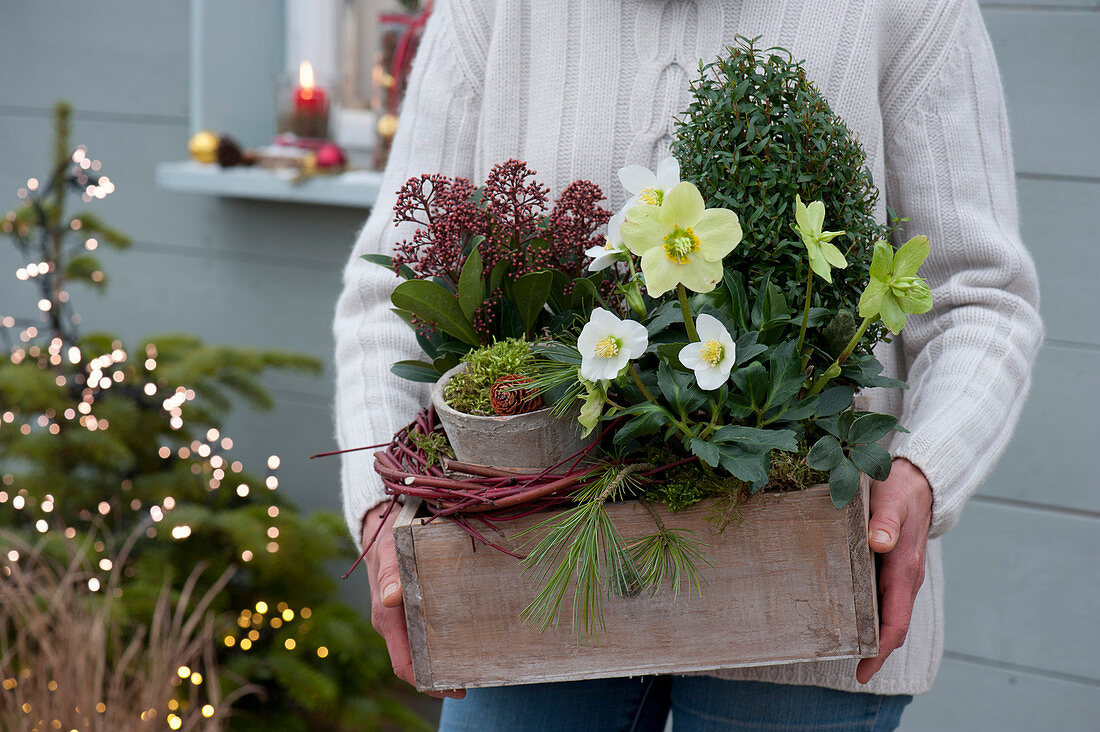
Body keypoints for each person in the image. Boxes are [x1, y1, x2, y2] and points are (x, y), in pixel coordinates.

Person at [332, 0, 1042, 729]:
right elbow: (391, 293)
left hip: (806, 588)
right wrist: (383, 507)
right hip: (526, 573)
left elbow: (979, 297)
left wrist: (924, 472)